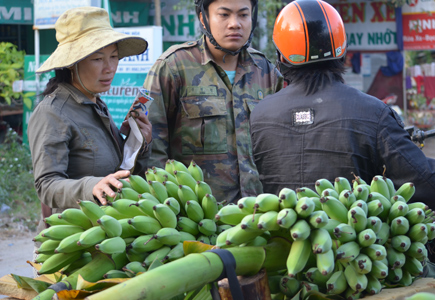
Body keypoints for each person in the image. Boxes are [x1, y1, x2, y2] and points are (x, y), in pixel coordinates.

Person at [250, 0, 435, 214]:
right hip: (352, 245)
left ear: (281, 57)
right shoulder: (373, 112)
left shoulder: (259, 116)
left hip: (278, 244)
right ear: (342, 51)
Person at [141, 0, 284, 203]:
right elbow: (152, 150)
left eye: (243, 15)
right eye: (224, 15)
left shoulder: (267, 72)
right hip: (196, 218)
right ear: (203, 18)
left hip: (258, 217)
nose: (235, 24)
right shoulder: (173, 67)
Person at [28, 6, 152, 229]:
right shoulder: (52, 112)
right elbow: (46, 185)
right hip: (72, 242)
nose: (110, 68)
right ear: (72, 63)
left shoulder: (96, 103)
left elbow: (118, 173)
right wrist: (91, 187)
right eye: (97, 59)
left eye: (114, 57)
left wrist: (138, 142)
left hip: (110, 231)